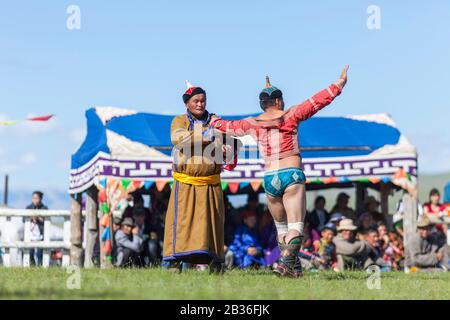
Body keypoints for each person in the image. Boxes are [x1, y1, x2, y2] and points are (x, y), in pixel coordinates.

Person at [211, 66, 349, 278]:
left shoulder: (251, 123)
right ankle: (285, 264)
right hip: (291, 174)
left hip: (270, 178)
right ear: (277, 101)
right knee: (296, 226)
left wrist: (212, 120)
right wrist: (338, 84)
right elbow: (317, 101)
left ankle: (294, 270)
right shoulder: (291, 114)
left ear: (262, 104)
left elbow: (227, 126)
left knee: (281, 228)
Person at [163, 81, 239, 273]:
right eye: (196, 100)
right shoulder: (179, 121)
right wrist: (210, 135)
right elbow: (180, 139)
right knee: (181, 225)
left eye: (203, 100)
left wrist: (229, 145)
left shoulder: (215, 121)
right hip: (186, 184)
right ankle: (173, 266)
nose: (200, 104)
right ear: (187, 103)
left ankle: (216, 267)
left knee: (212, 227)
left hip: (211, 184)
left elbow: (228, 142)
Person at [26, 191, 48, 266]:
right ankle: (32, 266)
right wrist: (31, 217)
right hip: (30, 234)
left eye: (36, 198)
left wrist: (38, 217)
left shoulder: (44, 208)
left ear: (40, 199)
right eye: (33, 198)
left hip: (40, 234)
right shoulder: (28, 208)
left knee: (39, 254)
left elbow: (46, 220)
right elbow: (23, 219)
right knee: (30, 253)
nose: (35, 200)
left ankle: (40, 266)